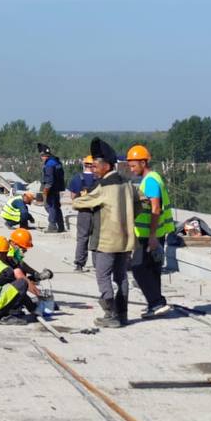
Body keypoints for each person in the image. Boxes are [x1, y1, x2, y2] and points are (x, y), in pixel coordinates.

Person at [68, 138, 138, 328]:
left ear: (106, 165)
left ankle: (110, 314)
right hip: (126, 240)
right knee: (121, 276)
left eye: (96, 166)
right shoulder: (127, 183)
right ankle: (122, 314)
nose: (93, 169)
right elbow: (139, 204)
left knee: (103, 276)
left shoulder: (104, 186)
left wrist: (82, 199)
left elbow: (79, 202)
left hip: (107, 240)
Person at [127, 144, 173, 318]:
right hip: (154, 233)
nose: (131, 169)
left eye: (133, 165)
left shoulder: (151, 181)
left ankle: (156, 302)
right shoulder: (153, 178)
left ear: (143, 162)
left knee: (138, 268)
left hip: (148, 235)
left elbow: (155, 209)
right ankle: (156, 304)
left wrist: (152, 237)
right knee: (153, 269)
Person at [69, 154, 98, 271]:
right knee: (97, 238)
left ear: (84, 164)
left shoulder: (77, 178)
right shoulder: (100, 179)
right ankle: (98, 265)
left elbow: (72, 196)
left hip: (83, 212)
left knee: (82, 238)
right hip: (97, 212)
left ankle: (79, 264)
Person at [7, 227, 53, 294]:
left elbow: (21, 264)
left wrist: (36, 274)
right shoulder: (8, 253)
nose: (25, 251)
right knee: (21, 279)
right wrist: (38, 293)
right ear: (13, 243)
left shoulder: (11, 249)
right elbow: (19, 271)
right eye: (23, 248)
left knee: (22, 274)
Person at [37, 143, 66, 232]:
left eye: (41, 156)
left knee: (50, 206)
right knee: (56, 206)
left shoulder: (49, 164)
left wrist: (45, 190)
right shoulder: (56, 161)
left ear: (43, 155)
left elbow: (49, 180)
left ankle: (52, 226)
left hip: (51, 188)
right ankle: (61, 226)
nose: (41, 158)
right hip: (57, 187)